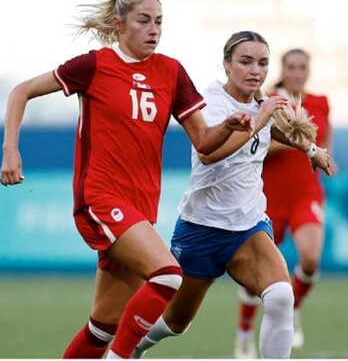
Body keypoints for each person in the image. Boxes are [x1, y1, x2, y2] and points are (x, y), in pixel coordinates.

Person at [0, 0, 254, 359]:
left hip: (140, 207)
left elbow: (204, 142)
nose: (154, 30)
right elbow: (22, 91)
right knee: (168, 275)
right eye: (144, 20)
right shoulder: (94, 65)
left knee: (103, 326)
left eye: (159, 22)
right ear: (118, 26)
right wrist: (10, 149)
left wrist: (230, 125)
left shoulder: (171, 70)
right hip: (99, 198)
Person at [130, 31, 333, 359]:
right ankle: (134, 345)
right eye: (246, 61)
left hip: (248, 227)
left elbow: (277, 129)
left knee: (281, 296)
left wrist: (309, 148)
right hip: (202, 228)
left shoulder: (260, 104)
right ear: (227, 65)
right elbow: (210, 153)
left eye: (263, 63)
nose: (256, 70)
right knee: (177, 322)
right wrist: (260, 118)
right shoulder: (209, 102)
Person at [234, 48, 336, 357]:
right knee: (256, 275)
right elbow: (255, 145)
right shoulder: (269, 102)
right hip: (268, 197)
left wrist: (324, 156)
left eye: (302, 67)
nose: (296, 72)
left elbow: (324, 139)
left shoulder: (320, 103)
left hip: (305, 192)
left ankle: (294, 310)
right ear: (283, 69)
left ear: (308, 70)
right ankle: (244, 333)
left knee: (310, 258)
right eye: (291, 67)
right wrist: (295, 142)